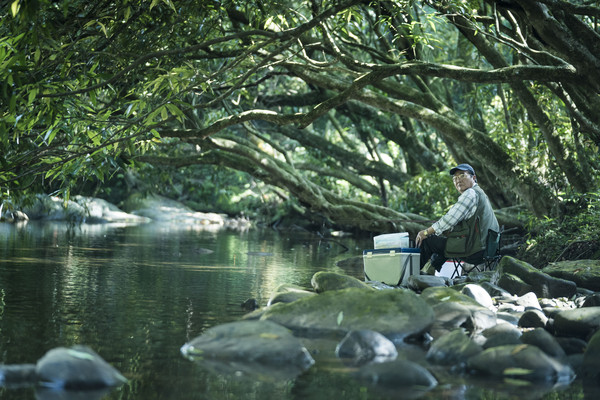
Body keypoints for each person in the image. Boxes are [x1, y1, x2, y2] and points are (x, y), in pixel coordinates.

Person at [415, 163, 499, 275]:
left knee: (427, 240)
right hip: (487, 250)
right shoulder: (480, 193)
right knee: (442, 242)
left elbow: (449, 219)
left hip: (474, 250)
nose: (458, 180)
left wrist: (425, 232)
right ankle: (429, 274)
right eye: (455, 177)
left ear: (473, 178)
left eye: (462, 175)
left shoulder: (470, 193)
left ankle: (412, 274)